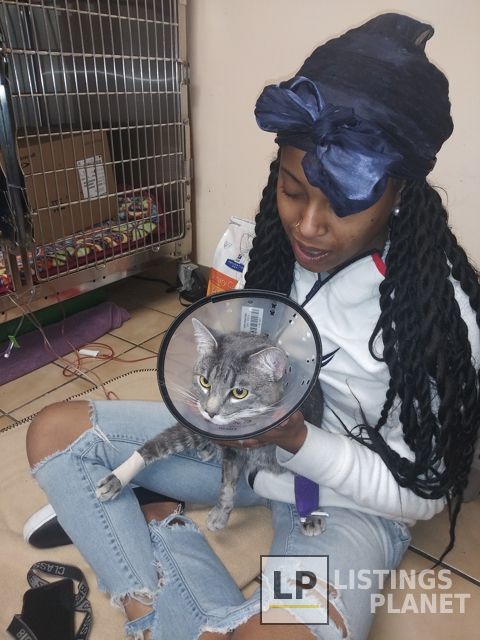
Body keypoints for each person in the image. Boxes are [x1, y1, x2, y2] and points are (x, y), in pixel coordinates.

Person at [25, 12, 480, 640]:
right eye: (293, 191)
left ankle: (157, 543)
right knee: (55, 433)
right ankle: (159, 570)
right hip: (248, 455)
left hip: (343, 509)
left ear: (398, 194)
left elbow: (423, 494)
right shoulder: (273, 251)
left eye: (342, 204)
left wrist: (299, 441)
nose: (309, 227)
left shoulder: (438, 314)